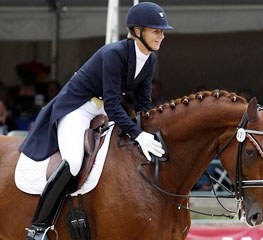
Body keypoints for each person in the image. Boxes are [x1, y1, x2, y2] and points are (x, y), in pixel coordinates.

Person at [20, 2, 172, 239]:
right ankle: (38, 227)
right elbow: (113, 104)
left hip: (100, 110)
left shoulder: (149, 59)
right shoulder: (114, 54)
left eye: (162, 31)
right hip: (77, 108)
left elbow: (143, 104)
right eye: (156, 30)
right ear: (137, 31)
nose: (161, 35)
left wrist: (153, 130)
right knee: (72, 161)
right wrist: (138, 133)